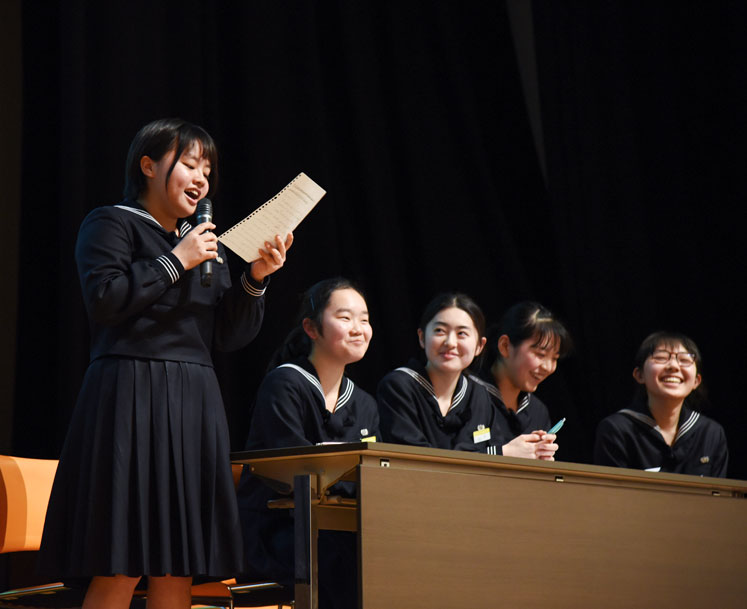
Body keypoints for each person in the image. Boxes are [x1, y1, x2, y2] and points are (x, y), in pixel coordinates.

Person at [38, 118, 293, 609]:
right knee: (121, 562)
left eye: (207, 168)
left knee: (177, 568)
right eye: (190, 164)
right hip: (128, 394)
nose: (201, 178)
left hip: (194, 402)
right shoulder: (110, 223)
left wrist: (256, 278)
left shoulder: (201, 242)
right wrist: (177, 259)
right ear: (149, 165)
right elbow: (105, 299)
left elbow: (226, 335)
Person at [237, 278, 378, 609]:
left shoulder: (365, 403)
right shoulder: (285, 384)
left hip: (338, 531)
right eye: (345, 318)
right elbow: (294, 470)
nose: (358, 328)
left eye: (365, 319)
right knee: (349, 565)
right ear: (311, 328)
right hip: (279, 530)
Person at [378, 292, 556, 458]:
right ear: (422, 337)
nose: (450, 342)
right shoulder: (399, 386)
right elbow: (414, 460)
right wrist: (502, 452)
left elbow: (493, 462)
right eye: (440, 331)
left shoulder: (479, 395)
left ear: (479, 346)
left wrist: (534, 452)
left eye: (462, 333)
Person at [594, 331, 728, 477]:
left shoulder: (711, 433)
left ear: (696, 381)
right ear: (639, 375)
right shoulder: (617, 430)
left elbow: (717, 497)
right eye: (661, 358)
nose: (674, 366)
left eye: (685, 359)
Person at [470, 301, 571, 460]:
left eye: (555, 358)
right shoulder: (467, 394)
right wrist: (505, 453)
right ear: (505, 346)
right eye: (540, 354)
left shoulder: (538, 411)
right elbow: (453, 457)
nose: (548, 367)